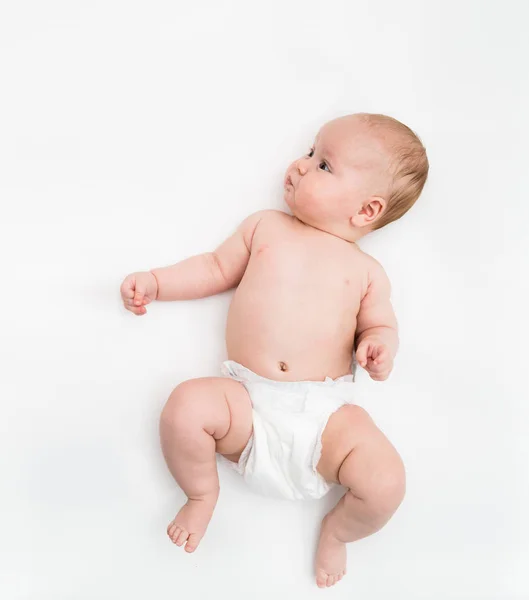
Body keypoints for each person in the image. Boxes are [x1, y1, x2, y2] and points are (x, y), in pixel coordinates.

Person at [120, 113, 428, 588]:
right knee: (185, 407)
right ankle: (201, 495)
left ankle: (339, 531)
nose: (301, 166)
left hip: (325, 418)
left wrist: (378, 344)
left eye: (324, 165)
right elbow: (214, 268)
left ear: (367, 211)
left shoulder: (367, 272)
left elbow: (382, 323)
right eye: (309, 153)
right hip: (248, 401)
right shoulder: (266, 227)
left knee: (386, 483)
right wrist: (158, 283)